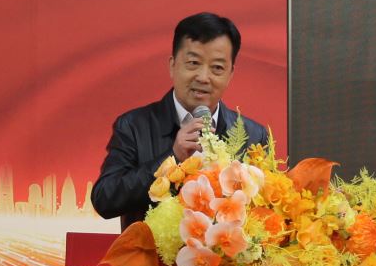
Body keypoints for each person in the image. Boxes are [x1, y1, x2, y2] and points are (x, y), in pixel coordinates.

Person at [91, 12, 271, 228]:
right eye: (193, 63)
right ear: (172, 65)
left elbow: (267, 213)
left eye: (217, 68)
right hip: (151, 250)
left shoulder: (253, 136)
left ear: (230, 74)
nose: (203, 77)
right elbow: (105, 200)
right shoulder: (134, 126)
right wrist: (172, 157)